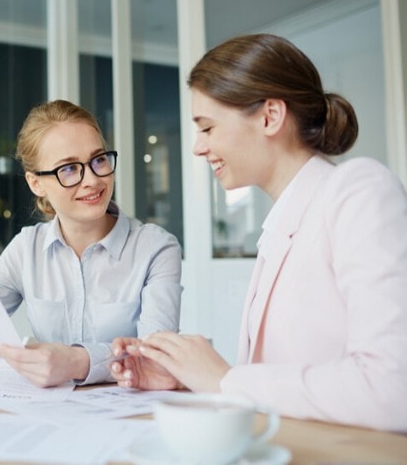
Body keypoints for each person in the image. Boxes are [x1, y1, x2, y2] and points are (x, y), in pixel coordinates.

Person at [110, 33, 407, 432]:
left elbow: (392, 388)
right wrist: (191, 378)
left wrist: (222, 379)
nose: (197, 147)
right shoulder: (282, 224)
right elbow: (279, 378)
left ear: (270, 117)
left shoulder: (359, 190)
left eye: (208, 127)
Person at [0, 99, 183, 387]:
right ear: (36, 183)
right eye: (69, 168)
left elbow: (155, 357)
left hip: (132, 416)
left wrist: (74, 361)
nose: (93, 180)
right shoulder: (26, 250)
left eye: (99, 160)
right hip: (48, 412)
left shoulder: (155, 249)